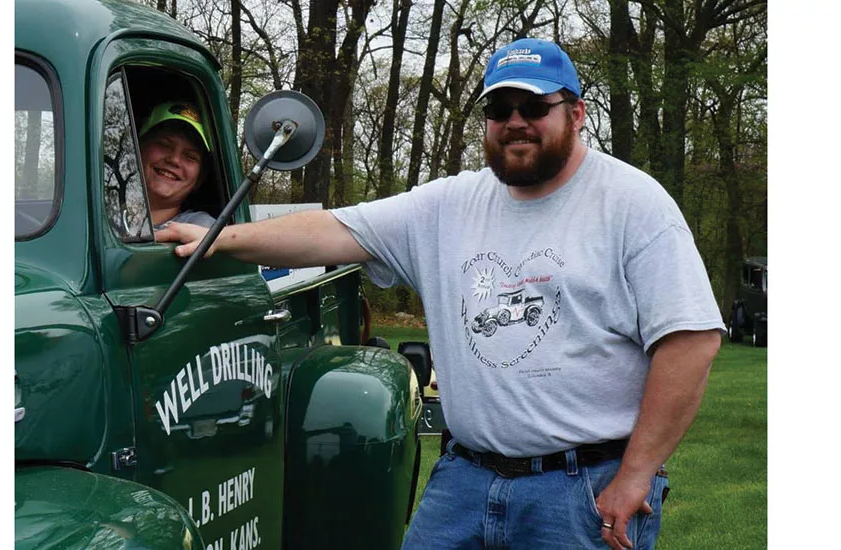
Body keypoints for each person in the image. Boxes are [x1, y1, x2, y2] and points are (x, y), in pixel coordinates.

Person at [156, 38, 724, 550]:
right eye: (500, 110)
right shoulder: (449, 205)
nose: (516, 122)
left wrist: (637, 474)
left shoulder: (632, 204)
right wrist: (220, 238)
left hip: (581, 490)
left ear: (576, 113)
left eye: (534, 108)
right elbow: (334, 229)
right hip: (464, 481)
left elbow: (691, 341)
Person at [138, 101, 216, 229]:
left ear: (199, 179)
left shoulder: (202, 228)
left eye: (190, 156)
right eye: (164, 145)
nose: (174, 160)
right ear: (139, 148)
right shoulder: (96, 208)